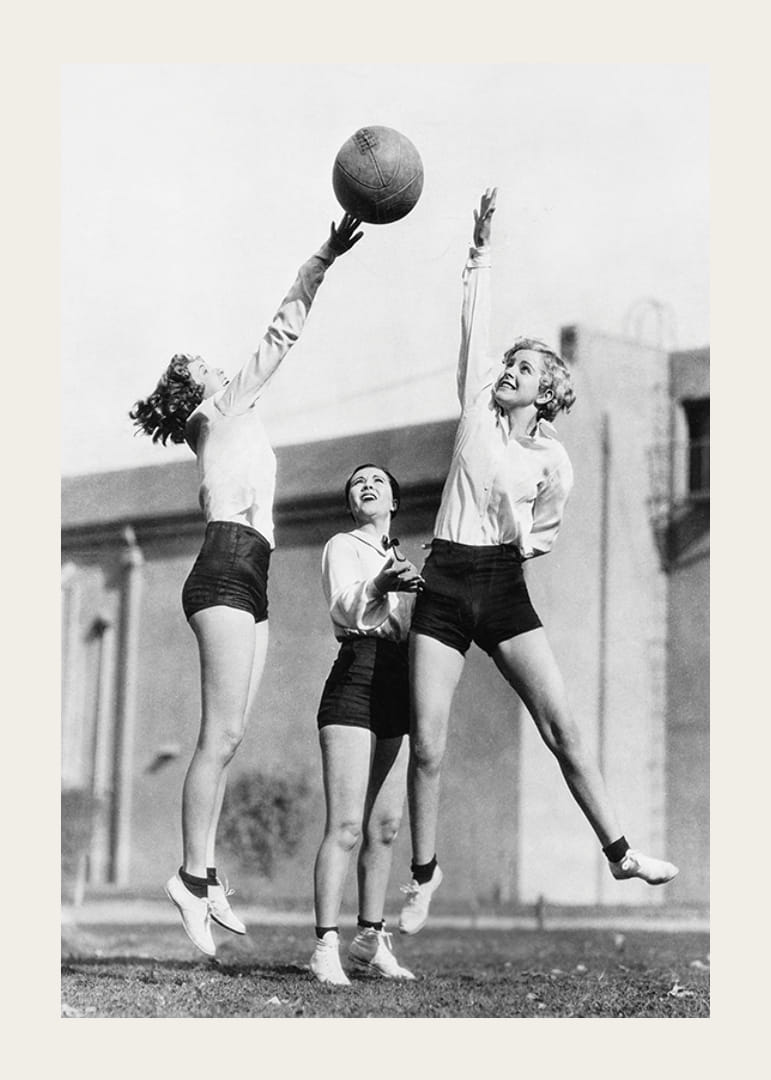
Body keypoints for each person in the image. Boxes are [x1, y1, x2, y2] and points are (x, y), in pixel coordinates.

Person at [399, 189, 678, 936]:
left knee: (564, 730)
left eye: (523, 366)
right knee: (427, 742)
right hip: (446, 578)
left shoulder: (553, 459)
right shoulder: (473, 417)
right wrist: (479, 251)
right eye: (508, 364)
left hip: (502, 585)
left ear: (548, 388)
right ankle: (424, 875)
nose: (508, 371)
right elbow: (473, 327)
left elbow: (544, 529)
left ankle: (620, 853)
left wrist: (518, 543)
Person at [129, 213, 364, 957]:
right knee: (219, 734)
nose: (220, 364)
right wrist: (323, 255)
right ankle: (191, 880)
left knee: (230, 739)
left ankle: (205, 873)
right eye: (204, 363)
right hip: (227, 564)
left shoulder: (227, 415)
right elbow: (281, 331)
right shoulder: (220, 408)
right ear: (194, 388)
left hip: (250, 570)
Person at [309, 464, 423, 985]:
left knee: (385, 826)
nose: (368, 486)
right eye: (357, 483)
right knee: (347, 825)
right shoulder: (342, 545)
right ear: (352, 502)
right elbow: (346, 608)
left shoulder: (402, 558)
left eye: (378, 481)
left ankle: (371, 941)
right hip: (356, 676)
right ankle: (325, 945)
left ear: (394, 501)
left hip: (398, 680)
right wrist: (382, 582)